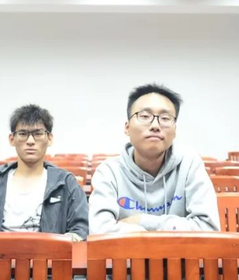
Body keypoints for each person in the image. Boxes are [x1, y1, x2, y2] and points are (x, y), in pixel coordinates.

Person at [89, 83, 219, 233]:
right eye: (145, 116)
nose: (155, 125)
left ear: (175, 131)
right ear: (127, 127)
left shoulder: (190, 165)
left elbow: (208, 228)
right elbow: (99, 231)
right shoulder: (109, 172)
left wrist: (142, 221)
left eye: (165, 118)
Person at [0, 104, 88, 241]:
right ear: (12, 139)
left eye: (38, 134)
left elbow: (80, 229)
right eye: (23, 134)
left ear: (50, 138)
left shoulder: (66, 183)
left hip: (50, 254)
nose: (30, 141)